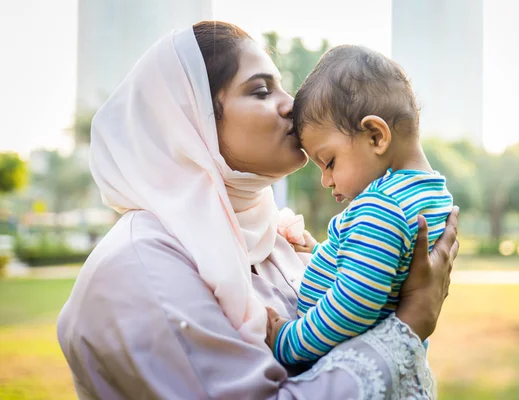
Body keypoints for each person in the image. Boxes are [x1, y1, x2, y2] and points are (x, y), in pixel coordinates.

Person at [57, 21, 459, 400]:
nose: (292, 105)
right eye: (262, 90)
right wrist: (409, 324)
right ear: (190, 122)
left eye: (282, 87)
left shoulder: (271, 237)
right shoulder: (137, 269)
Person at [266, 45, 453, 366]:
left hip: (348, 366)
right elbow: (382, 269)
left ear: (376, 136)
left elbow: (355, 304)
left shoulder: (382, 207)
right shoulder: (431, 194)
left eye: (329, 162)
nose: (326, 180)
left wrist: (290, 341)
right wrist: (325, 252)